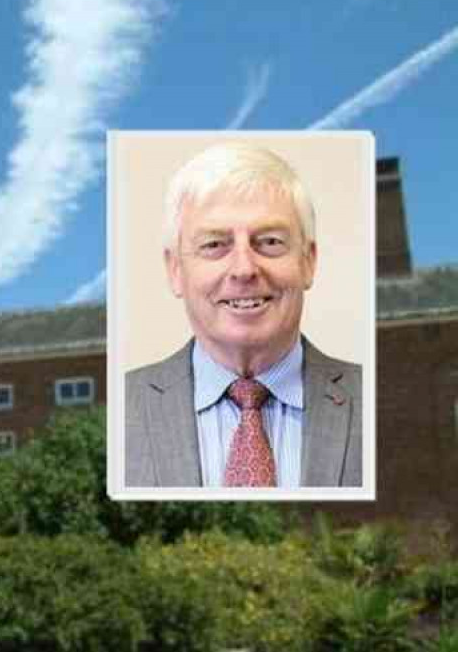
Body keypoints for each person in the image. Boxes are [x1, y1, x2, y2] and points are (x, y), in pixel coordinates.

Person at [124, 142, 362, 488]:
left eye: (269, 242)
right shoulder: (119, 411)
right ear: (175, 269)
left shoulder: (376, 400)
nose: (244, 269)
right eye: (214, 245)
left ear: (308, 262)